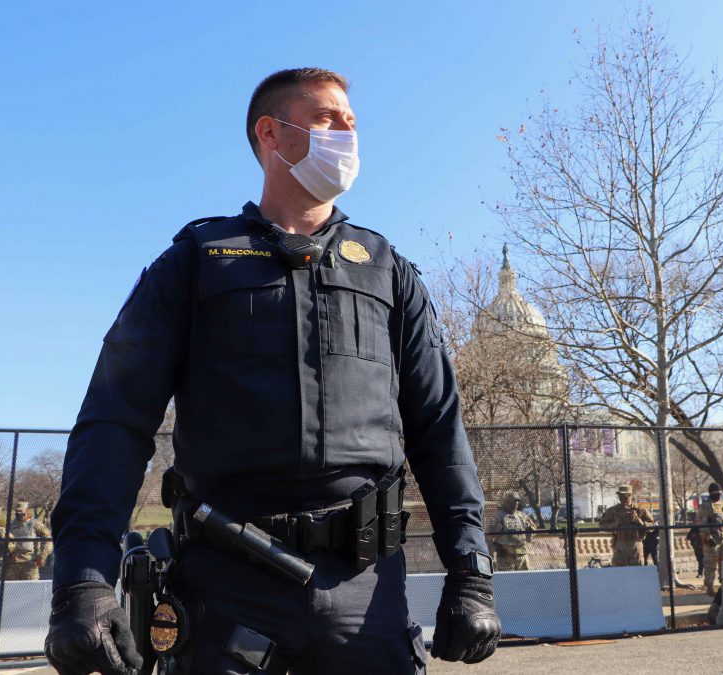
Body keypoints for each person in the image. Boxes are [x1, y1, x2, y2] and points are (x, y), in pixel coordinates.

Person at [45, 67, 501, 674]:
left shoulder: (389, 271)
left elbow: (440, 432)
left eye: (352, 123)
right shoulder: (195, 263)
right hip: (225, 587)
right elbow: (113, 423)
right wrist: (82, 579)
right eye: (326, 119)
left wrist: (471, 574)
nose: (347, 134)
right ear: (270, 132)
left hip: (367, 595)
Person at [599, 485, 654, 566]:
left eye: (623, 495)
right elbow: (602, 525)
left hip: (635, 543)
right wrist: (614, 524)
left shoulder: (640, 510)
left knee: (637, 570)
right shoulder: (613, 511)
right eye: (619, 495)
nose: (621, 497)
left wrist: (640, 522)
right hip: (620, 543)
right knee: (619, 571)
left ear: (630, 495)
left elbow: (652, 526)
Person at [697, 483, 723, 595]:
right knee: (710, 564)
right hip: (712, 540)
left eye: (718, 493)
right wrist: (708, 537)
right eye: (715, 493)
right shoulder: (705, 506)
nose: (717, 495)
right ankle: (709, 587)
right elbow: (702, 524)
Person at [490, 492, 537, 571]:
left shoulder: (522, 516)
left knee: (525, 579)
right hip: (505, 555)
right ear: (507, 501)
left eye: (517, 501)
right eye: (513, 500)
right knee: (507, 580)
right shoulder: (498, 516)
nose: (516, 503)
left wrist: (528, 535)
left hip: (522, 554)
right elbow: (491, 535)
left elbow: (533, 529)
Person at [4, 502, 51, 581]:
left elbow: (48, 539)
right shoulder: (11, 525)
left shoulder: (35, 524)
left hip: (30, 563)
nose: (19, 515)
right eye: (17, 513)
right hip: (13, 564)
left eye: (21, 512)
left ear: (26, 511)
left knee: (31, 589)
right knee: (10, 590)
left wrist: (42, 557)